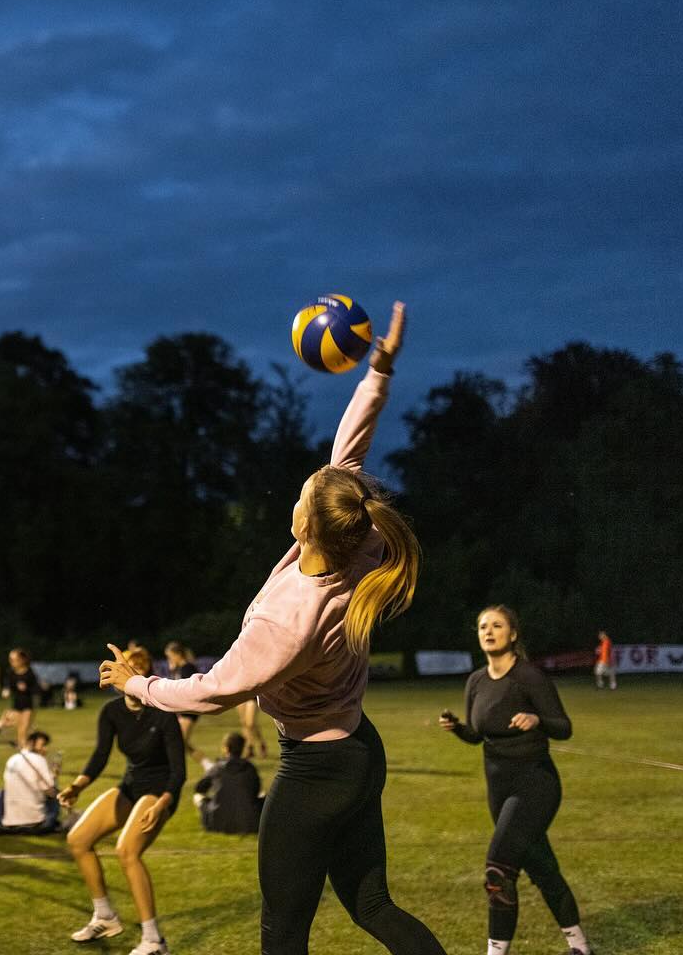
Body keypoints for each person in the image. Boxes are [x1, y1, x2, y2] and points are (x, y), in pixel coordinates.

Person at [99, 302, 446, 955]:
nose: (295, 498)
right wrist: (381, 366)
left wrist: (138, 682)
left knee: (281, 935)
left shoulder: (290, 620)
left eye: (299, 497)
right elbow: (353, 447)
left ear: (306, 524)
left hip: (317, 768)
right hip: (358, 752)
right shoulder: (361, 543)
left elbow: (209, 693)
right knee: (372, 905)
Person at [439, 605, 593, 955]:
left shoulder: (529, 677)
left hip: (535, 785)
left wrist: (537, 718)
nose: (488, 631)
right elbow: (477, 735)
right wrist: (457, 728)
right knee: (542, 869)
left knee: (497, 871)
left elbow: (563, 727)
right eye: (482, 626)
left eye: (497, 625)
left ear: (513, 634)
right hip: (499, 790)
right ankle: (581, 948)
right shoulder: (475, 681)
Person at [59, 646, 185, 955]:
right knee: (78, 840)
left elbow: (179, 772)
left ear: (139, 676)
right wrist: (77, 786)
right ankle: (105, 916)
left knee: (126, 852)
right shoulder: (112, 712)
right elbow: (100, 757)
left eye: (122, 672)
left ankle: (154, 941)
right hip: (131, 786)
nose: (115, 677)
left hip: (160, 791)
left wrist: (162, 803)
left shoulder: (164, 713)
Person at [193, 732, 263, 834]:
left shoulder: (217, 768)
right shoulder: (250, 768)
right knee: (263, 796)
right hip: (250, 823)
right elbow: (256, 791)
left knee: (198, 797)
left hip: (217, 823)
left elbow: (199, 788)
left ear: (226, 748)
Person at [0, 729, 61, 835]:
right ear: (31, 743)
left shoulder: (12, 759)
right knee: (58, 794)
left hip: (9, 823)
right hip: (34, 822)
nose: (45, 749)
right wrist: (54, 778)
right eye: (43, 745)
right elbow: (50, 791)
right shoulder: (39, 760)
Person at [163, 642, 201, 758]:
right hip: (183, 709)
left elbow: (188, 690)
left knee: (178, 744)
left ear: (178, 654)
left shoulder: (188, 668)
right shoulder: (180, 669)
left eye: (170, 656)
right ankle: (208, 765)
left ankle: (208, 765)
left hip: (189, 710)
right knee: (180, 743)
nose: (169, 659)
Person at [5, 648, 43, 751]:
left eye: (14, 660)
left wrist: (27, 688)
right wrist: (7, 690)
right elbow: (9, 685)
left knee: (24, 727)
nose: (12, 662)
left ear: (22, 660)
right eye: (10, 660)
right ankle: (24, 745)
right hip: (16, 704)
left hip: (27, 703)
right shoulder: (11, 673)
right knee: (18, 726)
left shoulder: (29, 672)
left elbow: (36, 688)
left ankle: (23, 747)